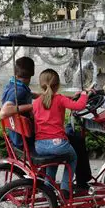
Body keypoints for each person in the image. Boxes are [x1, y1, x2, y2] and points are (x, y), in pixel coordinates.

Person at [32, 69, 89, 197]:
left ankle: (47, 190)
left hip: (40, 146)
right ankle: (65, 188)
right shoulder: (60, 99)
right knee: (73, 157)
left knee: (54, 160)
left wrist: (72, 97)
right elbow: (79, 106)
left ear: (41, 85)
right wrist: (85, 94)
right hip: (58, 145)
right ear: (58, 85)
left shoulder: (36, 102)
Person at [0, 57, 36, 151]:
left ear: (16, 71)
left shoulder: (12, 85)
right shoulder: (20, 91)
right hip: (25, 141)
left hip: (15, 138)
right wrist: (33, 106)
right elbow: (3, 112)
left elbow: (32, 95)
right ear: (33, 72)